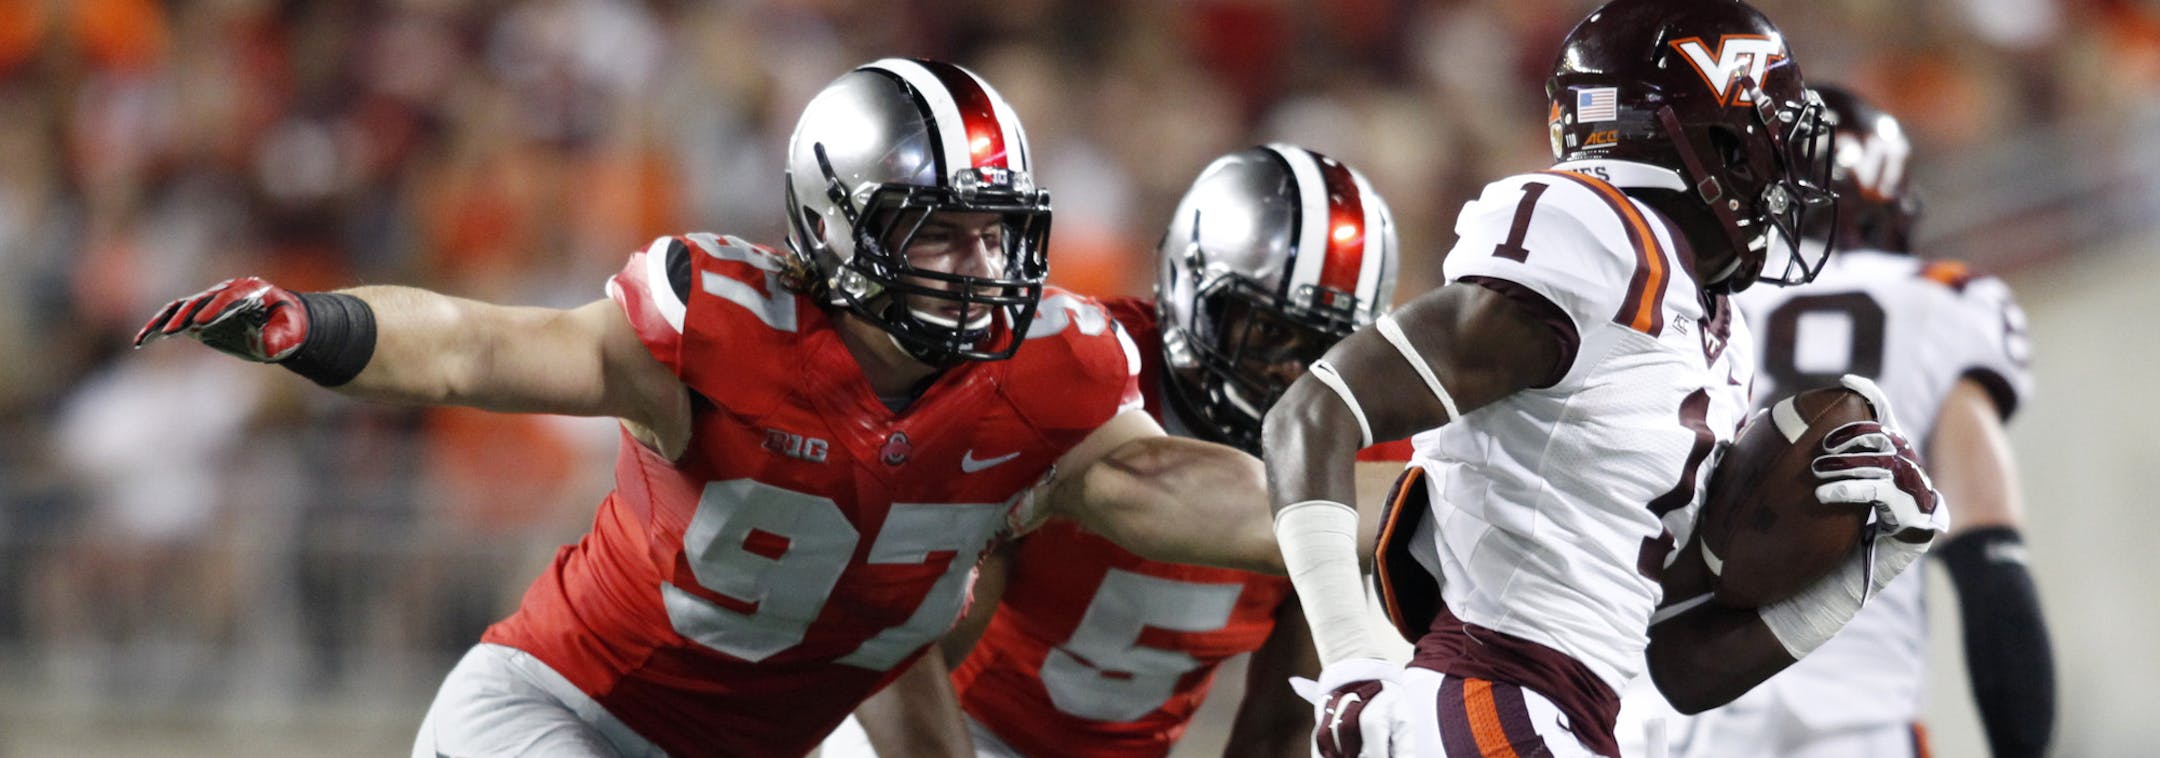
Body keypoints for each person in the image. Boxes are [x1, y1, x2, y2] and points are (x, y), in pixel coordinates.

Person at [133, 58, 1282, 758]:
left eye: (997, 232)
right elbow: (482, 343)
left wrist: (1399, 494)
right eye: (940, 230)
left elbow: (1170, 481)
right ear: (839, 226)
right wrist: (318, 324)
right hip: (560, 715)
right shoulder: (722, 327)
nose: (980, 265)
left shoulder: (1047, 379)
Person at [1260, 1, 1949, 756]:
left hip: (1575, 714)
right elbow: (1315, 411)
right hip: (1489, 700)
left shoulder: (1712, 324)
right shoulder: (1597, 237)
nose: (1783, 179)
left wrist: (1862, 572)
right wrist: (1350, 661)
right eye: (1765, 147)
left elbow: (1675, 665)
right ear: (1706, 145)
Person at [827, 144, 1412, 758]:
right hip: (958, 725)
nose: (1292, 368)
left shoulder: (1357, 447)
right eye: (1268, 330)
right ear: (1188, 288)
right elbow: (902, 644)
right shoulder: (1082, 371)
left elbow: (1286, 719)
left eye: (1324, 344)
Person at [1649, 84, 2054, 758]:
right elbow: (1992, 560)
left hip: (1689, 693)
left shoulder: (1686, 296)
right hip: (1856, 711)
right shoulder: (1942, 303)